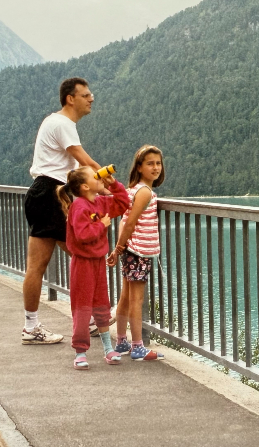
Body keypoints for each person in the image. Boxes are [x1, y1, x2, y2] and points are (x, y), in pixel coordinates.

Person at [22, 77, 102, 345]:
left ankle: (82, 319)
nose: (91, 99)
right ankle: (37, 327)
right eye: (86, 95)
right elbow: (86, 164)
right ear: (71, 98)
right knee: (81, 254)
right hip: (50, 194)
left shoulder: (56, 122)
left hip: (46, 193)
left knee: (74, 255)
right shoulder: (62, 124)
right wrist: (116, 192)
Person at [56, 166, 130, 369]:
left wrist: (113, 183)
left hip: (98, 262)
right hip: (82, 264)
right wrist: (101, 225)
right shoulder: (79, 206)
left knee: (101, 305)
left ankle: (108, 348)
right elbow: (82, 235)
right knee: (82, 307)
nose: (100, 178)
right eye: (95, 177)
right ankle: (80, 351)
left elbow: (123, 203)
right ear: (85, 186)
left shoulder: (100, 202)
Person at [107, 145, 166, 361]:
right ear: (139, 167)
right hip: (138, 251)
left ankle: (121, 341)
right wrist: (118, 248)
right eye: (150, 163)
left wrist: (121, 248)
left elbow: (125, 219)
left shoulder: (133, 190)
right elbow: (130, 222)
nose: (155, 167)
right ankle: (138, 346)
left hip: (131, 250)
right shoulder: (144, 192)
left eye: (158, 163)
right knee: (136, 300)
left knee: (125, 297)